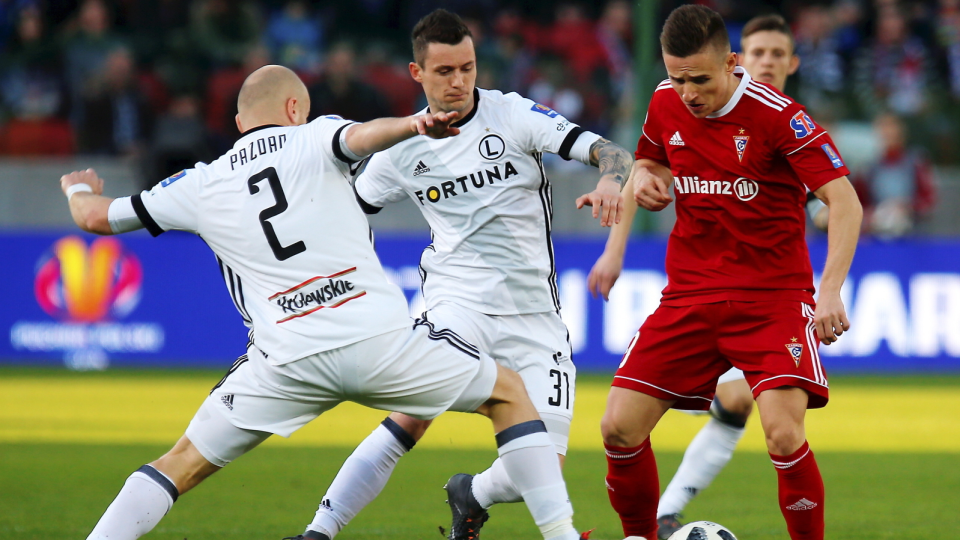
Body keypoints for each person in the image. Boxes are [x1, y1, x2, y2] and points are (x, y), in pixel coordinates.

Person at [62, 64, 582, 540]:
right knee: (509, 393)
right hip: (377, 346)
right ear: (295, 109)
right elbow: (361, 136)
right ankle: (559, 536)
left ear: (242, 123)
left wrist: (77, 190)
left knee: (178, 464)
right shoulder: (316, 136)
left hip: (286, 360)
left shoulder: (200, 181)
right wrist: (413, 124)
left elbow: (97, 219)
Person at [293, 9, 632, 540]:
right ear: (417, 74)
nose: (459, 82)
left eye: (468, 69)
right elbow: (345, 211)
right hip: (458, 305)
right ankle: (319, 531)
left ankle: (470, 494)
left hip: (535, 319)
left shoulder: (514, 115)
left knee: (538, 472)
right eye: (445, 71)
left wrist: (611, 180)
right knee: (413, 415)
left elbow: (611, 152)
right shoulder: (400, 148)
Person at [595, 6, 862, 540]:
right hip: (691, 294)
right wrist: (645, 184)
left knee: (783, 435)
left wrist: (830, 289)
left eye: (700, 79)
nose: (688, 92)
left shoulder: (781, 116)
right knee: (618, 427)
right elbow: (647, 163)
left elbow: (846, 202)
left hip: (772, 299)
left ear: (732, 63)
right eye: (677, 77)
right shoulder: (664, 102)